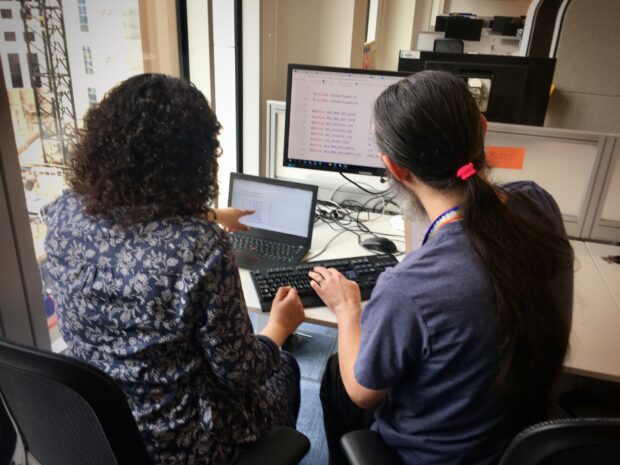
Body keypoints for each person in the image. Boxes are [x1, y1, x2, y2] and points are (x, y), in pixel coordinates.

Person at [311, 70, 574, 465]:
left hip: (435, 458)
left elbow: (362, 392)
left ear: (395, 169)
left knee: (337, 374)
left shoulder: (408, 285)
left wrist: (348, 310)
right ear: (482, 131)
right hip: (518, 438)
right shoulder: (539, 204)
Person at [43, 74, 305, 465]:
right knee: (283, 365)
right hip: (181, 444)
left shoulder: (63, 211)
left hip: (96, 426)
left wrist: (211, 215)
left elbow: (130, 220)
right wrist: (280, 327)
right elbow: (240, 371)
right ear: (193, 160)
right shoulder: (201, 246)